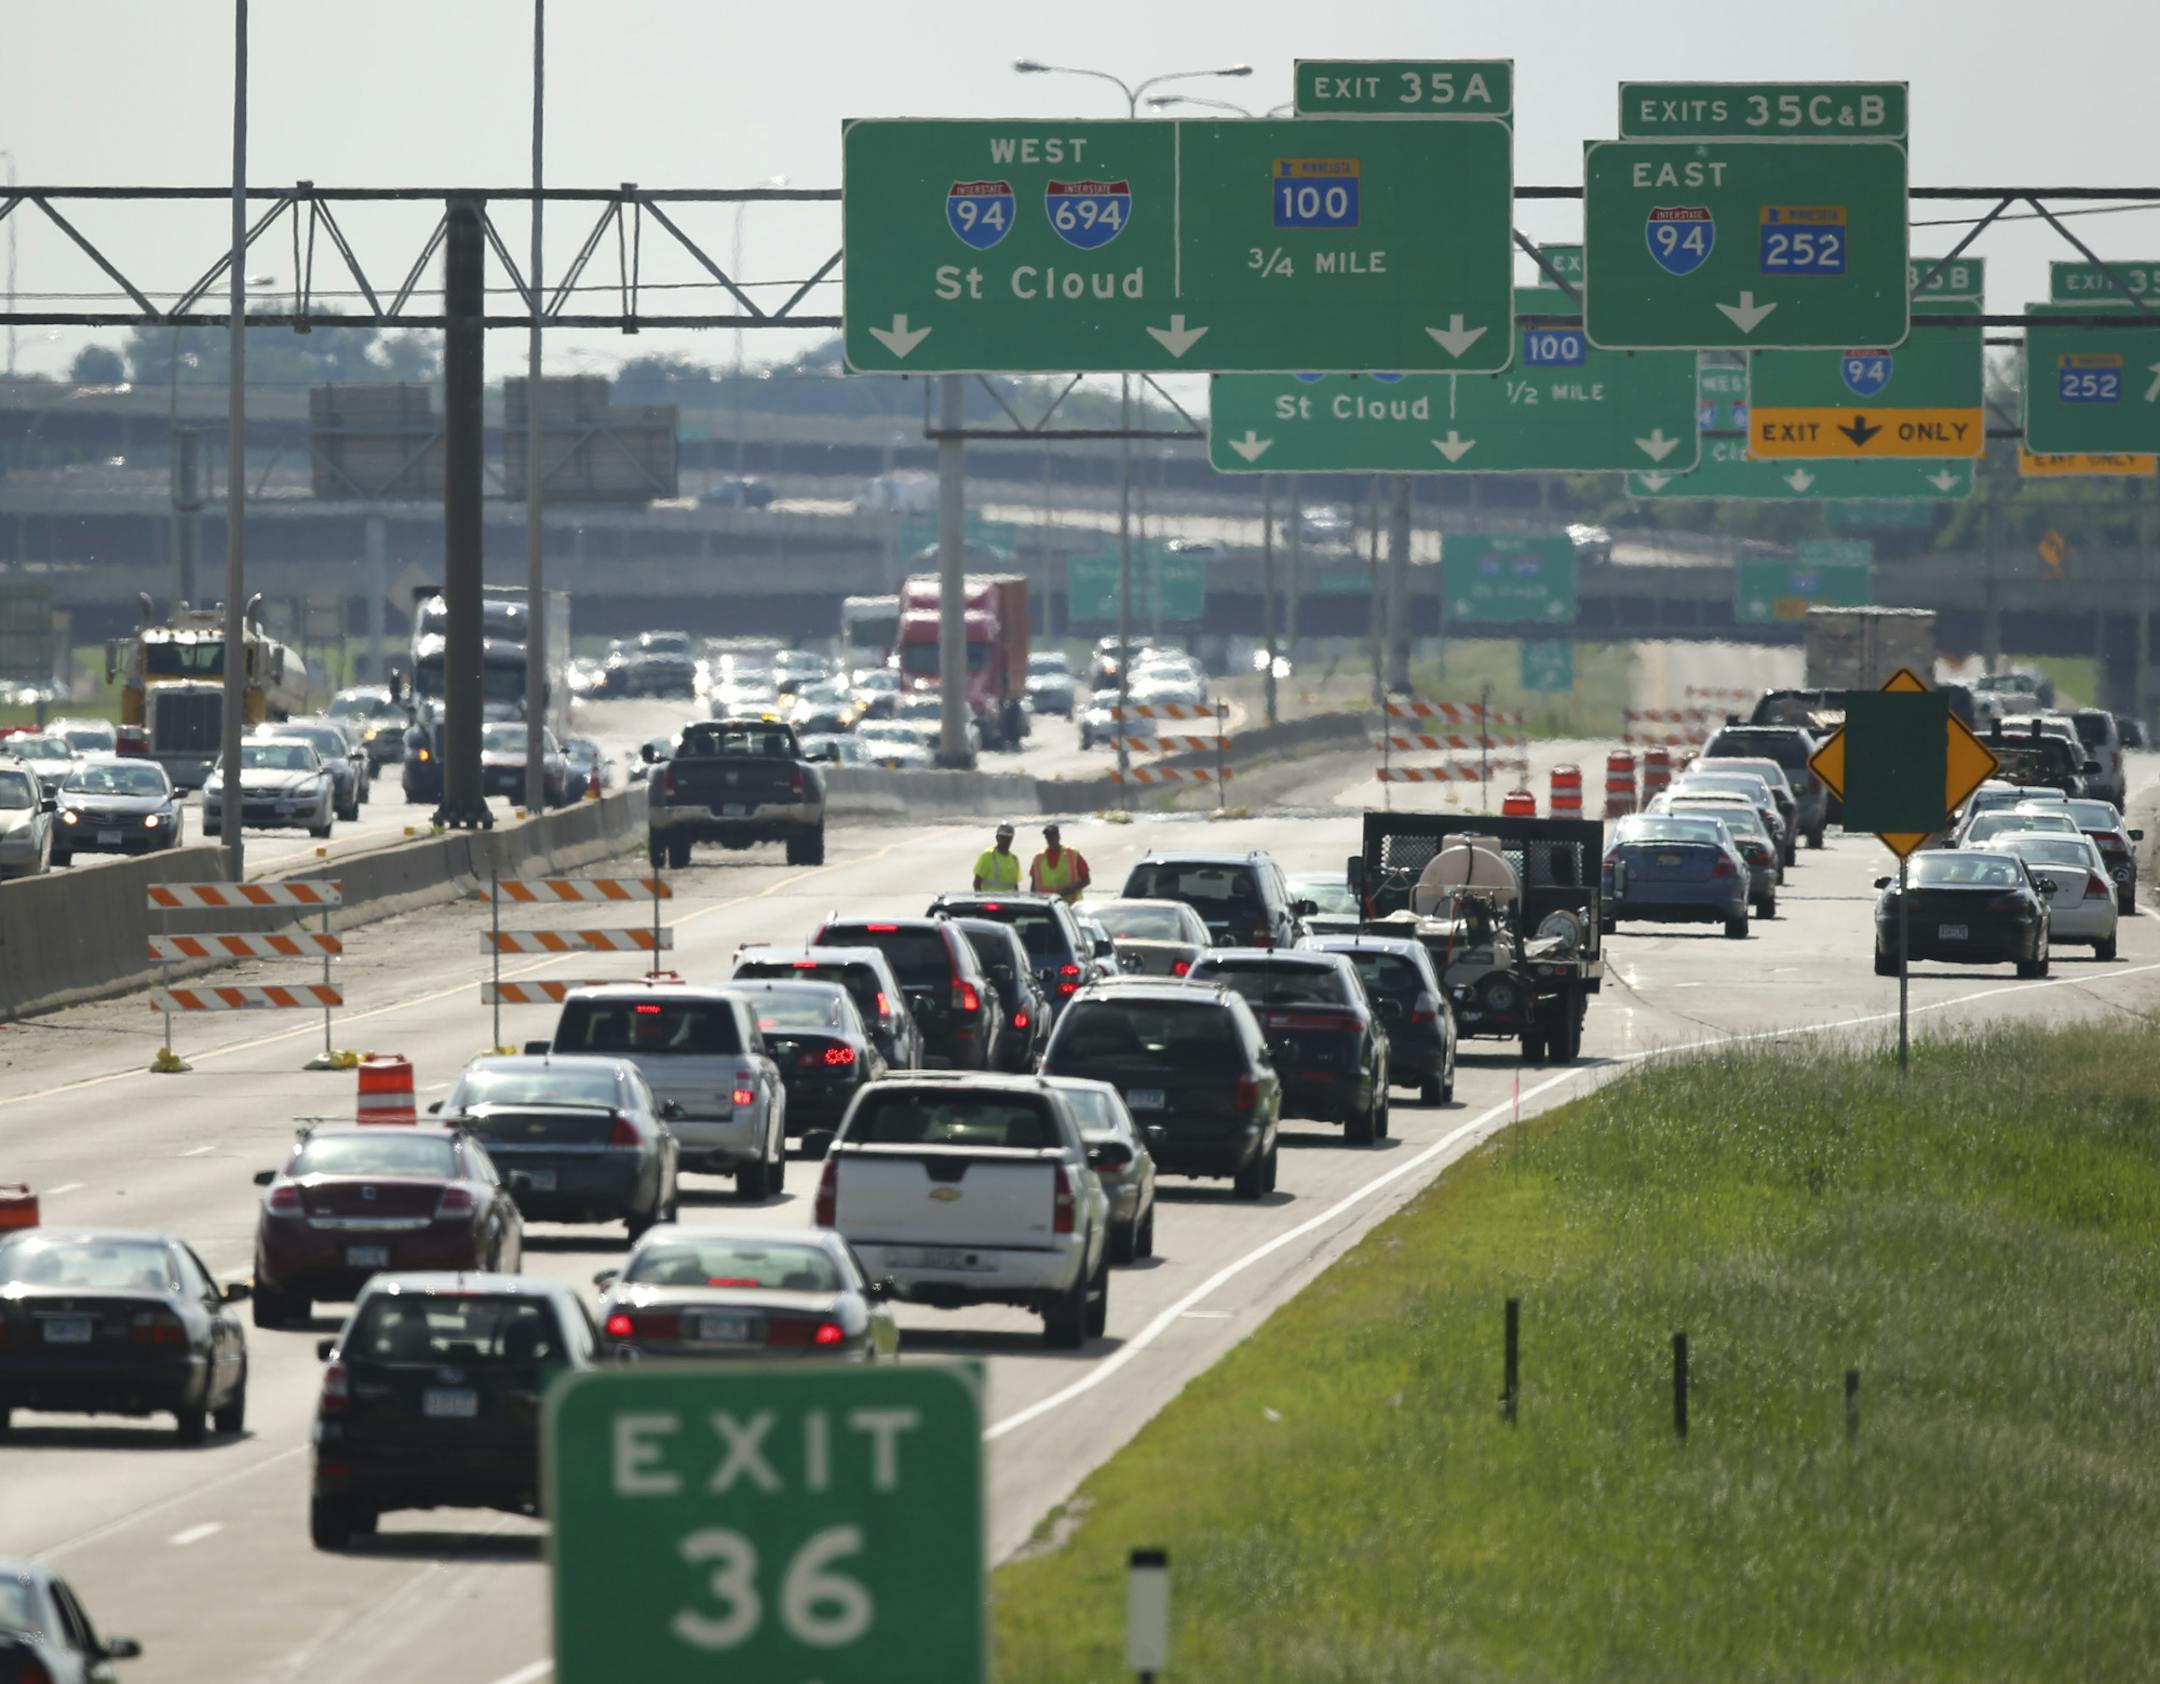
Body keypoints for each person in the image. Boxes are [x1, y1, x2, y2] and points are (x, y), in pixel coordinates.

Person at [1028, 822, 1091, 903]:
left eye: (1053, 836)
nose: (1050, 839)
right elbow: (1033, 887)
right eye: (1048, 837)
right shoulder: (1038, 858)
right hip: (1049, 908)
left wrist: (1071, 888)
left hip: (1070, 906)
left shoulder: (1072, 854)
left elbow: (1086, 880)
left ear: (1058, 836)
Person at [973, 823, 1022, 891]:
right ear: (997, 838)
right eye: (1002, 837)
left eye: (1008, 838)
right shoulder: (987, 856)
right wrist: (980, 899)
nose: (1005, 840)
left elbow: (1015, 885)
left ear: (1011, 839)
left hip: (1009, 900)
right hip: (990, 900)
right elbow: (977, 882)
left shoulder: (1014, 859)